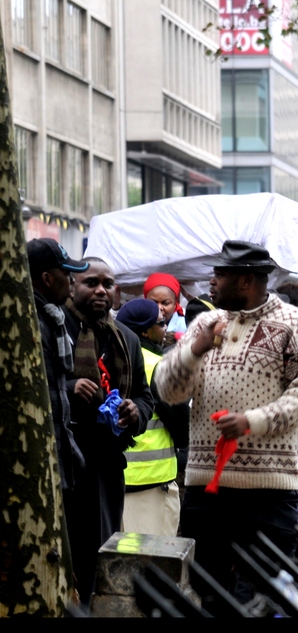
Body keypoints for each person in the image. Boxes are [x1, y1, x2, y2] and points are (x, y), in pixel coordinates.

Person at [154, 240, 298, 594]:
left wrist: (252, 421)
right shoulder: (205, 323)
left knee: (259, 597)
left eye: (220, 275)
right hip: (206, 491)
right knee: (208, 595)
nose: (210, 283)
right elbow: (167, 390)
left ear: (246, 280)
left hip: (269, 495)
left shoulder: (296, 325)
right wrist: (194, 350)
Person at [63, 258, 154, 603]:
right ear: (73, 286)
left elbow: (145, 396)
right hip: (68, 462)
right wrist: (70, 387)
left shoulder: (126, 339)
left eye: (108, 283)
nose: (101, 289)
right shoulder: (59, 327)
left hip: (107, 465)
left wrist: (136, 412)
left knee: (101, 554)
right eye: (92, 283)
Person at [116, 298, 189, 537]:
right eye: (161, 323)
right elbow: (184, 428)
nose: (166, 327)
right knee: (152, 567)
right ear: (145, 331)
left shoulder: (109, 358)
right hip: (151, 486)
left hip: (113, 483)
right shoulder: (159, 366)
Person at [26, 239, 89, 498]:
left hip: (57, 468)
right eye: (67, 274)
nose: (73, 282)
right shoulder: (32, 325)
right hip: (36, 470)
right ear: (47, 279)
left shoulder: (51, 320)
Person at [144, 272, 186, 346]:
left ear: (175, 303)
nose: (159, 308)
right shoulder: (138, 323)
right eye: (153, 302)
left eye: (166, 303)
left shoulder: (186, 326)